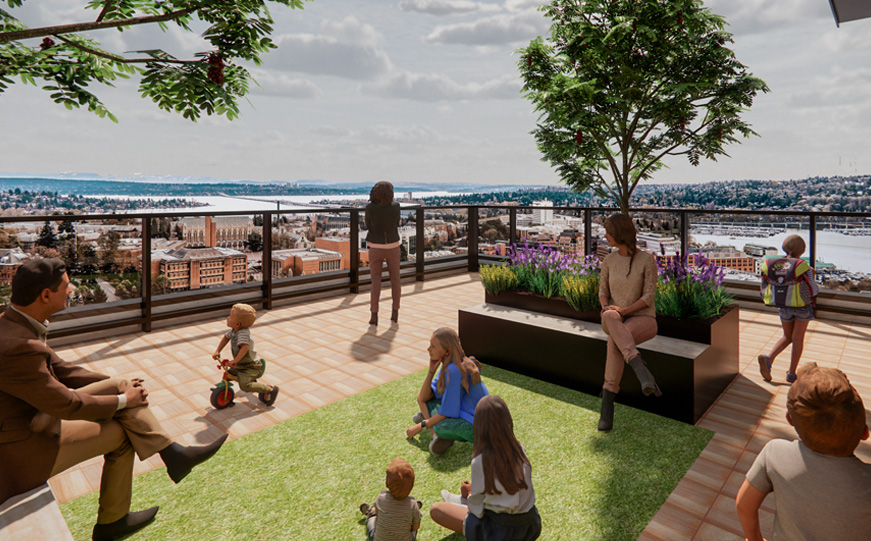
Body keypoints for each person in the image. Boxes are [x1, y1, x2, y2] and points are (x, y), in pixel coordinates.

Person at [0, 258, 228, 540]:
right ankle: (165, 464)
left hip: (31, 426)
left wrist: (116, 387)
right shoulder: (19, 346)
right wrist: (124, 399)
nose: (71, 289)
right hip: (19, 455)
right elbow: (67, 404)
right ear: (46, 295)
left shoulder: (13, 324)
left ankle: (126, 507)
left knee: (122, 416)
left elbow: (62, 370)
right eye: (66, 285)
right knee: (122, 416)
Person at [736, 362, 871, 540]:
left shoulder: (775, 453)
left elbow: (744, 505)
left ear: (789, 420)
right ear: (864, 432)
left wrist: (755, 539)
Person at [430, 395, 541, 540]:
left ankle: (462, 502)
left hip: (498, 532)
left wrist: (470, 496)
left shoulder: (480, 460)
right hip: (529, 526)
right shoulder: (520, 449)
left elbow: (476, 510)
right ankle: (464, 500)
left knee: (437, 509)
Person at [597, 213, 661, 431]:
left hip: (643, 319)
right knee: (610, 318)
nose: (605, 236)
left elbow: (648, 298)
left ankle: (606, 408)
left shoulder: (646, 261)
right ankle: (639, 366)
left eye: (608, 232)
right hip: (613, 318)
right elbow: (603, 292)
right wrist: (608, 308)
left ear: (619, 233)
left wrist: (623, 310)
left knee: (614, 342)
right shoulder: (608, 260)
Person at [405, 327, 488, 455]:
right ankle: (435, 432)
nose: (428, 349)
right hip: (469, 417)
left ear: (447, 351)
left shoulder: (454, 370)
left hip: (476, 427)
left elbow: (448, 412)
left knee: (440, 426)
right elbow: (424, 397)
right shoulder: (450, 365)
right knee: (424, 399)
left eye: (433, 346)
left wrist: (420, 426)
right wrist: (431, 371)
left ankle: (436, 432)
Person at [757, 234, 819, 384]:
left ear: (784, 248)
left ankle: (769, 359)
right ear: (802, 251)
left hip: (782, 305)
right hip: (802, 307)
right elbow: (814, 290)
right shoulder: (803, 267)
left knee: (787, 336)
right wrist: (812, 274)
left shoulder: (773, 264)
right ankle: (791, 374)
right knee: (798, 339)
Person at [212, 303, 279, 406]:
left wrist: (235, 361)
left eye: (230, 317)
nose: (227, 318)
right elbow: (226, 338)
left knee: (244, 385)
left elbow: (245, 348)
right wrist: (218, 351)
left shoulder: (243, 333)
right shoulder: (234, 331)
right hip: (242, 364)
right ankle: (226, 392)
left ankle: (269, 389)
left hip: (251, 366)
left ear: (238, 324)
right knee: (228, 375)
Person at [365, 181, 402, 326]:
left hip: (375, 246)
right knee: (396, 280)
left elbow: (368, 225)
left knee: (375, 280)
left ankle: (374, 315)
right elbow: (397, 223)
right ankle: (395, 312)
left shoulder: (370, 208)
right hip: (393, 245)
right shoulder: (396, 207)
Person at [358, 457, 422, 541]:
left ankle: (370, 512)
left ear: (386, 484)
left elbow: (378, 517)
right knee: (413, 523)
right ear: (411, 486)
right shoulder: (412, 505)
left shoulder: (381, 498)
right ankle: (413, 514)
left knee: (373, 520)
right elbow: (415, 527)